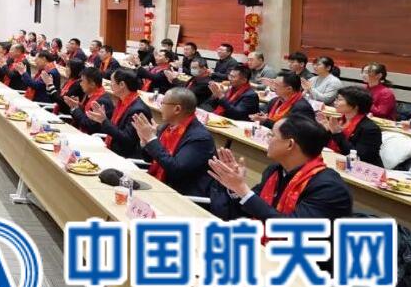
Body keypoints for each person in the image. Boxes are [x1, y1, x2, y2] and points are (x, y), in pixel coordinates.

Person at [208, 116, 352, 222]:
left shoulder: (328, 187)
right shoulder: (275, 171)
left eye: (272, 135)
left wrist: (242, 189)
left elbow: (290, 229)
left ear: (290, 144)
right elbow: (249, 208)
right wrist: (235, 188)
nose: (267, 139)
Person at [133, 87, 216, 198]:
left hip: (180, 196)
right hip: (157, 185)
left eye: (163, 103)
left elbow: (176, 169)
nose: (160, 107)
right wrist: (145, 141)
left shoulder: (200, 138)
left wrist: (151, 139)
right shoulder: (166, 127)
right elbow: (150, 159)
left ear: (177, 109)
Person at [81, 68, 151, 159]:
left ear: (122, 85)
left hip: (123, 156)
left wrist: (104, 121)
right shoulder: (122, 101)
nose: (110, 85)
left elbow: (127, 139)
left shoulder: (138, 110)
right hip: (111, 148)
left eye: (112, 82)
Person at [324, 86, 383, 167]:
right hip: (336, 161)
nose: (335, 102)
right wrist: (324, 130)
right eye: (336, 99)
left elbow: (359, 157)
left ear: (355, 106)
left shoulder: (370, 129)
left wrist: (337, 133)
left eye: (339, 100)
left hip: (362, 169)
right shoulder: (339, 120)